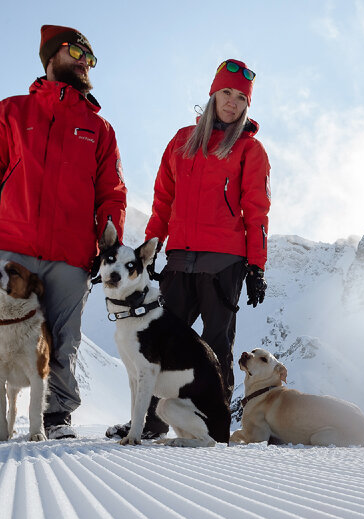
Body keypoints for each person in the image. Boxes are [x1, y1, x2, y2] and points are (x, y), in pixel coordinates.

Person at [0, 25, 127, 446]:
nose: (84, 62)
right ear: (52, 56)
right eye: (76, 52)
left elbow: (111, 193)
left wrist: (108, 245)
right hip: (10, 245)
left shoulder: (99, 129)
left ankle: (55, 414)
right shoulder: (13, 112)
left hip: (71, 255)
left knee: (64, 338)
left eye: (90, 58)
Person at [105, 58, 270, 441]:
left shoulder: (249, 149)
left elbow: (257, 210)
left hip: (224, 261)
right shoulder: (181, 140)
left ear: (248, 106)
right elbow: (163, 200)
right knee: (159, 340)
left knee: (215, 347)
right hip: (178, 257)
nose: (232, 103)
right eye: (226, 93)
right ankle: (147, 424)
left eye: (241, 98)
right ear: (213, 94)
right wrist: (149, 253)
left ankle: (218, 428)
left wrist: (257, 265)